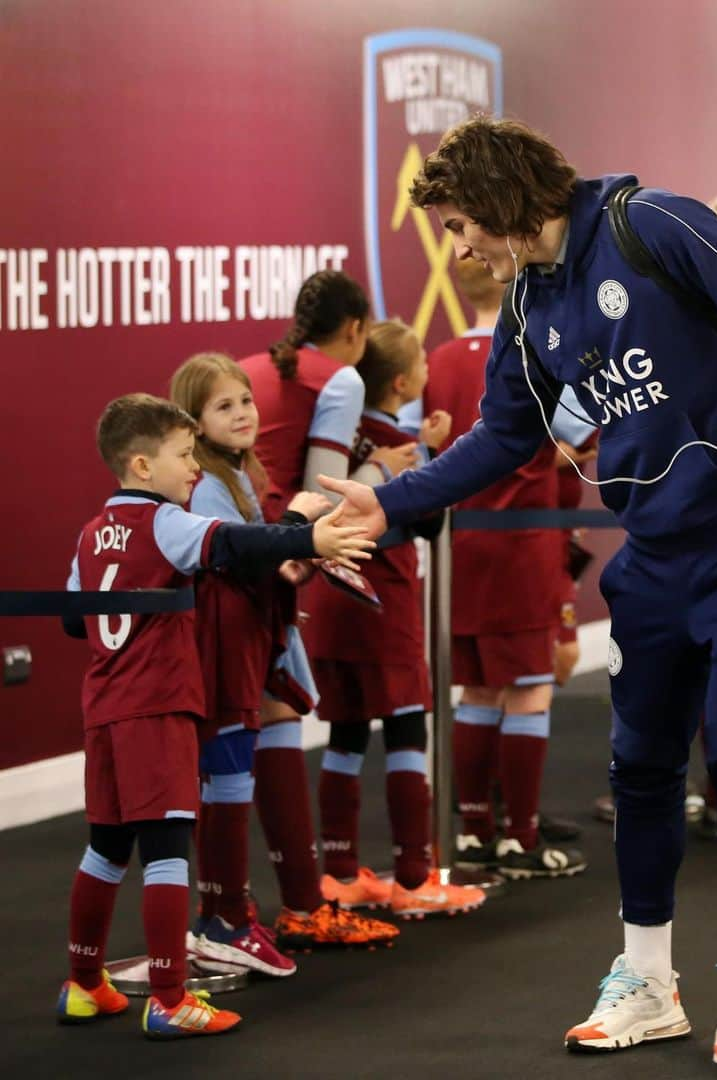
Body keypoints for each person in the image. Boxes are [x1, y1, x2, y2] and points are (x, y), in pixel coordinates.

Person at [316, 116, 717, 1066]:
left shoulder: (652, 224)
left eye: (464, 224)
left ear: (508, 201)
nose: (459, 247)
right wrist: (392, 505)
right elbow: (505, 436)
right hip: (653, 558)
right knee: (639, 767)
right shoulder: (527, 305)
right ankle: (647, 978)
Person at [57, 393, 373, 1038]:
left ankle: (84, 985)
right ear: (142, 465)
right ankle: (171, 999)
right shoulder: (163, 522)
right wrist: (310, 534)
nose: (193, 467)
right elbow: (232, 542)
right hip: (159, 706)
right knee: (170, 846)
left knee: (107, 848)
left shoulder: (92, 532)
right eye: (182, 455)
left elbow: (70, 615)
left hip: (105, 708)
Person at [239, 271, 405, 948]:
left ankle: (252, 910)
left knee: (249, 723)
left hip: (227, 556)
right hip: (267, 561)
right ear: (357, 329)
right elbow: (325, 495)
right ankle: (294, 910)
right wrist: (388, 469)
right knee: (267, 715)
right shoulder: (342, 379)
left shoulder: (251, 367)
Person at [308, 319, 485, 917]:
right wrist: (432, 455)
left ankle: (337, 870)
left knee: (347, 731)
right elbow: (431, 521)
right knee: (409, 726)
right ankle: (414, 875)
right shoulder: (400, 449)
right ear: (404, 382)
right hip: (383, 603)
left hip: (330, 602)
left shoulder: (340, 440)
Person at [423, 258, 586, 879]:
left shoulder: (436, 360)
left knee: (479, 692)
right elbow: (576, 438)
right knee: (528, 691)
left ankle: (472, 829)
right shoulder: (538, 352)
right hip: (522, 546)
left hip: (459, 549)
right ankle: (519, 835)